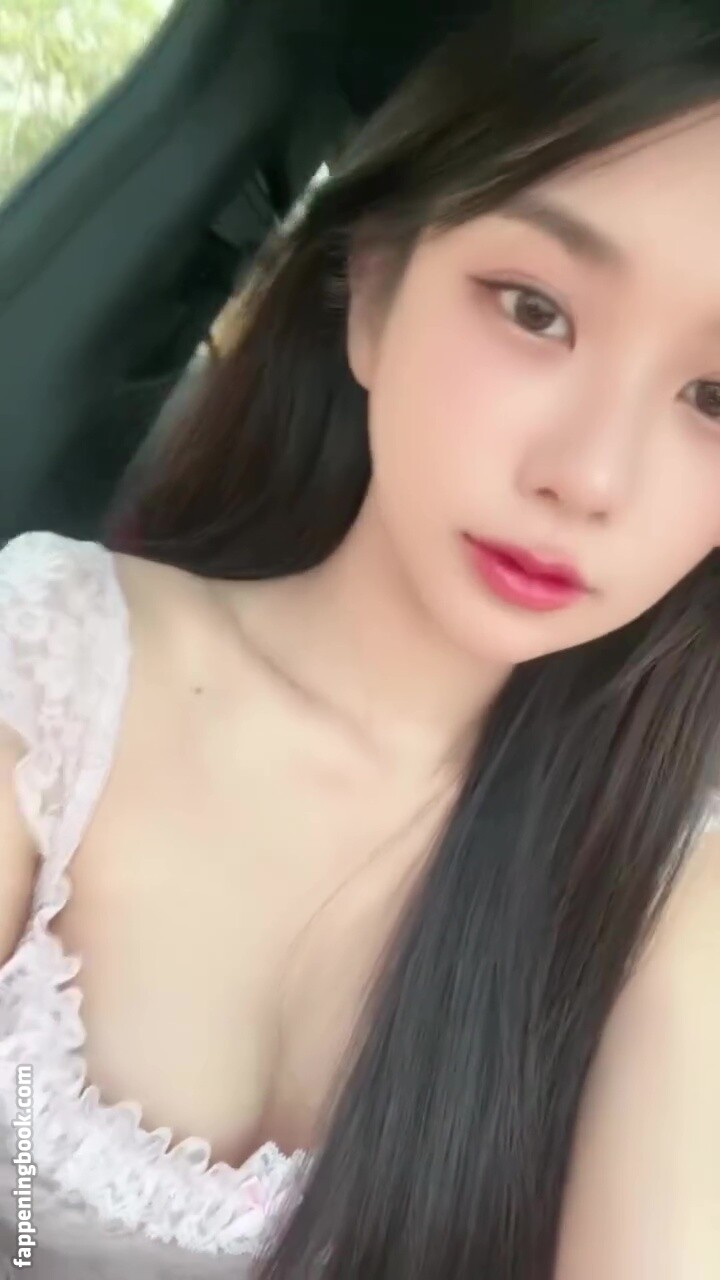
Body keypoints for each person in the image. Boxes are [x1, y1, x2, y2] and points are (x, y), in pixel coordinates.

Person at [1, 2, 720, 1276]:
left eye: (715, 396)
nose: (588, 474)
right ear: (374, 290)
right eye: (535, 309)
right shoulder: (47, 677)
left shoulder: (673, 884)